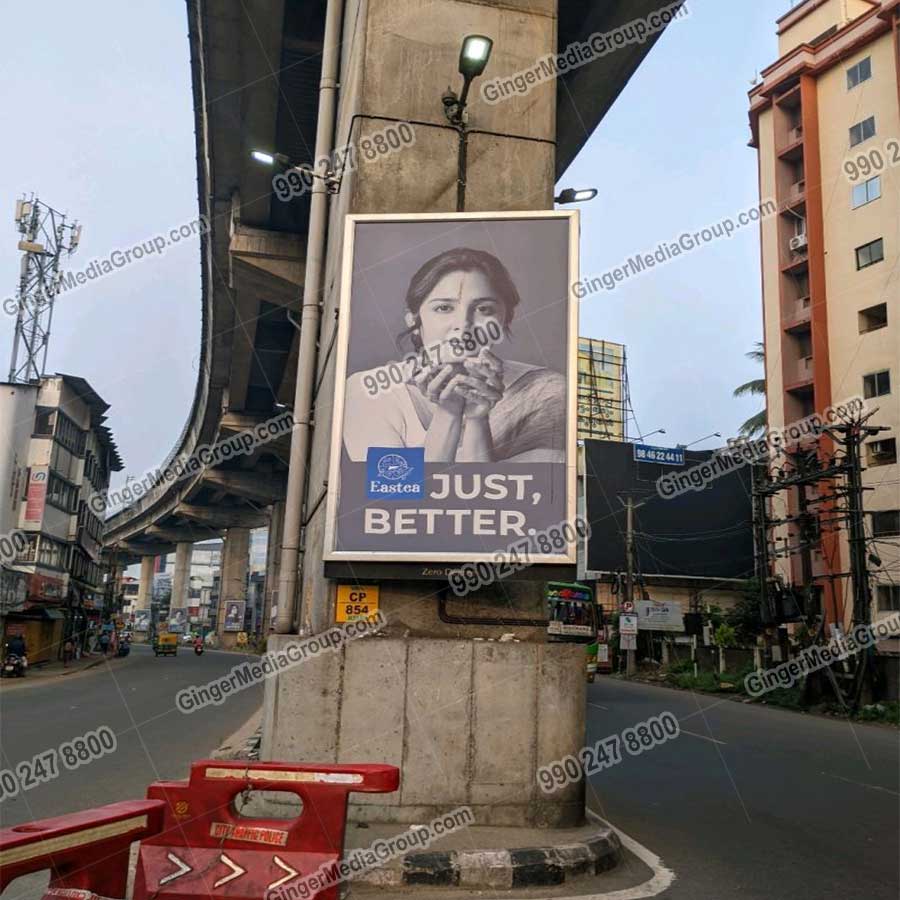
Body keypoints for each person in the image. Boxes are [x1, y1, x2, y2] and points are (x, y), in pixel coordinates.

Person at [343, 247, 566, 464]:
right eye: (443, 308)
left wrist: (477, 419)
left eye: (484, 309)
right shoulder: (369, 390)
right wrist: (448, 412)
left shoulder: (545, 392)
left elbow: (510, 498)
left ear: (505, 318)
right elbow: (393, 495)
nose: (463, 325)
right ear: (413, 320)